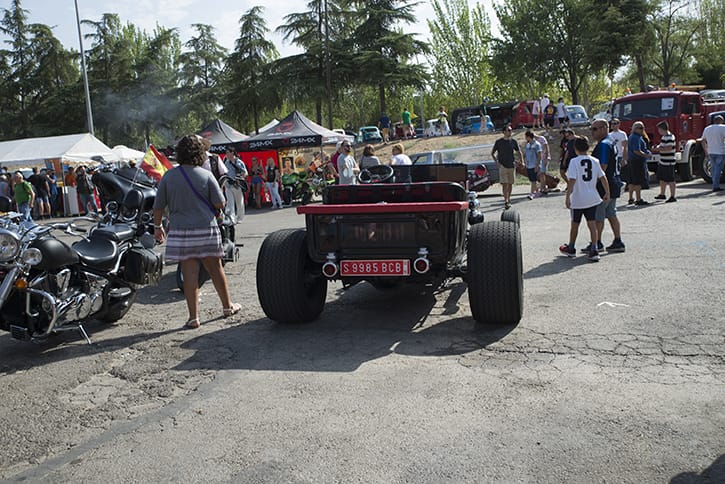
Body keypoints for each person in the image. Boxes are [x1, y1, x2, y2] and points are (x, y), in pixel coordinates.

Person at [152, 134, 240, 329]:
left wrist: (157, 227)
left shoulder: (169, 176)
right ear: (200, 154)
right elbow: (220, 203)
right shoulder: (206, 175)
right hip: (205, 229)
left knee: (189, 273)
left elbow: (158, 206)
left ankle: (193, 318)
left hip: (181, 230)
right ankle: (227, 307)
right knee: (215, 269)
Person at [559, 136, 610, 262]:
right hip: (592, 196)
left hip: (578, 198)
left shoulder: (574, 162)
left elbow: (572, 180)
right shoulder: (595, 161)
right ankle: (594, 248)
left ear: (575, 149)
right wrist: (607, 192)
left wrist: (568, 196)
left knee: (575, 224)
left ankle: (571, 247)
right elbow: (603, 177)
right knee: (592, 224)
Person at [589, 118, 625, 253]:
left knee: (598, 215)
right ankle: (618, 240)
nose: (592, 132)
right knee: (611, 213)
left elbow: (602, 166)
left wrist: (593, 183)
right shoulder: (611, 141)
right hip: (613, 182)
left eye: (595, 129)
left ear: (604, 128)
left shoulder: (604, 144)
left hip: (605, 185)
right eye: (591, 129)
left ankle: (597, 242)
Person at [491, 125, 522, 209]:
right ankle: (506, 201)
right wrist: (497, 162)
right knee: (505, 184)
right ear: (504, 132)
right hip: (502, 166)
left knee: (510, 183)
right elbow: (492, 153)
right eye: (509, 130)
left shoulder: (513, 141)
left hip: (511, 165)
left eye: (511, 130)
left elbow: (519, 152)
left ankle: (509, 198)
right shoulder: (499, 142)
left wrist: (521, 161)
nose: (510, 132)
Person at [627, 121, 651, 205]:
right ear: (635, 128)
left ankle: (631, 198)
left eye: (643, 128)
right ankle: (638, 199)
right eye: (640, 128)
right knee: (638, 181)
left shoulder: (632, 136)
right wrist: (646, 155)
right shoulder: (635, 137)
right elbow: (636, 151)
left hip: (631, 160)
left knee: (632, 180)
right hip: (637, 161)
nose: (642, 130)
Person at [653, 121, 677, 202]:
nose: (658, 131)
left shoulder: (669, 137)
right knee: (662, 179)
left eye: (659, 129)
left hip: (668, 162)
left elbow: (669, 148)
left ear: (662, 129)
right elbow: (663, 146)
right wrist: (658, 147)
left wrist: (658, 149)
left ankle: (672, 196)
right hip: (663, 161)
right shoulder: (664, 137)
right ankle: (662, 194)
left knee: (670, 179)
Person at [223, 147, 248, 223]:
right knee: (230, 202)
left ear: (232, 153)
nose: (226, 154)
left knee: (239, 202)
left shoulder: (238, 162)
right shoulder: (226, 162)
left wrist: (240, 178)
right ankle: (232, 218)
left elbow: (245, 173)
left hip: (237, 185)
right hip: (228, 185)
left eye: (228, 152)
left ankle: (240, 218)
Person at [701, 114, 725, 192]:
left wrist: (706, 151)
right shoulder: (723, 128)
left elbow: (703, 141)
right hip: (720, 151)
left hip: (711, 151)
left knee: (714, 168)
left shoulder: (707, 129)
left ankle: (714, 184)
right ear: (721, 121)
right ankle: (715, 186)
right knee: (718, 168)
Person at [608, 118, 628, 185]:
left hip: (620, 156)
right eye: (612, 124)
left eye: (615, 123)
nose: (613, 125)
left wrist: (624, 158)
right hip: (612, 157)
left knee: (621, 173)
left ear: (619, 124)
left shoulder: (622, 134)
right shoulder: (609, 135)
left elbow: (625, 147)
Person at [523, 131, 542, 199]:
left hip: (534, 165)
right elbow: (526, 154)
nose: (525, 138)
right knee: (532, 180)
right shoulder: (528, 145)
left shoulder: (537, 144)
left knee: (533, 180)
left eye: (526, 137)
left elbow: (539, 155)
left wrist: (537, 165)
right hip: (529, 165)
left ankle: (532, 193)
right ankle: (538, 191)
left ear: (529, 137)